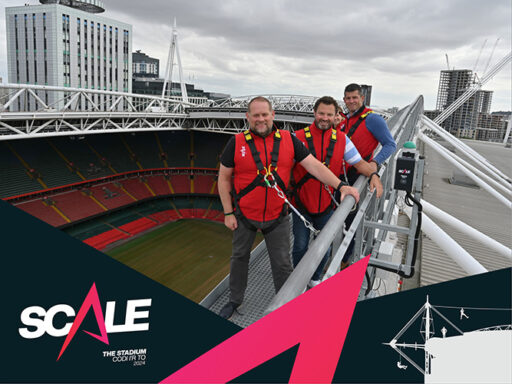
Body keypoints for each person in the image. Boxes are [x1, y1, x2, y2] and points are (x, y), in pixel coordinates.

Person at [217, 96, 359, 319]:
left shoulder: (289, 140)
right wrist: (227, 212)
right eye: (256, 115)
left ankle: (286, 308)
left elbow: (314, 166)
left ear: (273, 115)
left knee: (282, 264)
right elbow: (223, 178)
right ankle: (235, 300)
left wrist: (340, 185)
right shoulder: (236, 143)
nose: (261, 119)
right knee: (239, 258)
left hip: (277, 215)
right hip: (244, 215)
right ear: (248, 117)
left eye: (265, 114)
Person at [291, 96, 383, 287]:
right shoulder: (297, 137)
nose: (324, 118)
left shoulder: (342, 140)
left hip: (327, 203)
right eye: (321, 113)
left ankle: (314, 279)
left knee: (324, 248)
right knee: (300, 246)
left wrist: (375, 175)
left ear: (336, 116)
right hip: (301, 204)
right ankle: (297, 282)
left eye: (329, 114)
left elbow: (359, 164)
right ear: (315, 113)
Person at [340, 83, 397, 268]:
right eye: (348, 98)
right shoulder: (345, 119)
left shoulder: (372, 119)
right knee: (340, 215)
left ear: (362, 98)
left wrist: (375, 163)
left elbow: (390, 144)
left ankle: (344, 259)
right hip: (342, 174)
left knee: (350, 217)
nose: (351, 101)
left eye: (354, 97)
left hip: (358, 176)